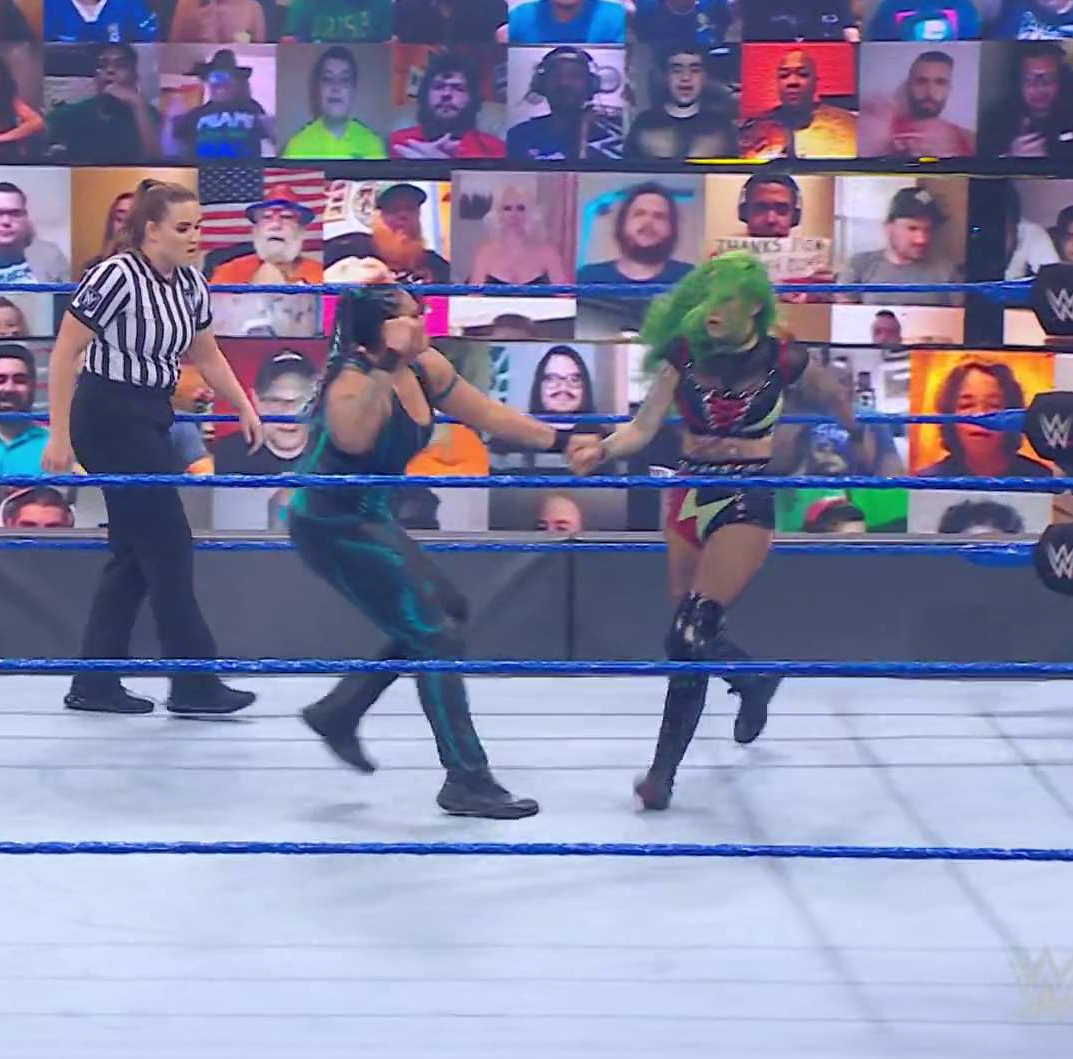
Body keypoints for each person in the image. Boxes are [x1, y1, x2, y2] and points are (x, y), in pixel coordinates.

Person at [289, 273, 597, 819]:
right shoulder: (351, 381)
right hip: (329, 523)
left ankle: (340, 710)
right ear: (383, 330)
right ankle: (466, 778)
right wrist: (386, 363)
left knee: (445, 611)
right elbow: (354, 437)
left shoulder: (424, 366)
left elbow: (487, 413)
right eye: (410, 314)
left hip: (371, 516)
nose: (423, 319)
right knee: (435, 636)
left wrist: (563, 440)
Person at [570, 252, 860, 811]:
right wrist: (602, 450)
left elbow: (831, 394)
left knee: (691, 632)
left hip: (746, 496)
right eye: (707, 299)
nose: (712, 311)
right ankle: (752, 679)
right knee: (686, 637)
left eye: (726, 300)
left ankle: (662, 775)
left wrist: (859, 433)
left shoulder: (783, 356)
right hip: (688, 493)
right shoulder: (684, 354)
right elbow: (644, 427)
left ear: (754, 307)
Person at [42, 179, 265, 716]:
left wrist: (244, 404)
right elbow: (65, 352)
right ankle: (193, 682)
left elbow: (207, 354)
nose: (194, 237)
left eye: (198, 227)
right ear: (151, 231)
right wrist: (58, 432)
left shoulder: (190, 284)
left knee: (133, 553)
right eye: (183, 228)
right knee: (168, 544)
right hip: (106, 413)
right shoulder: (115, 275)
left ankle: (94, 681)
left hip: (151, 414)